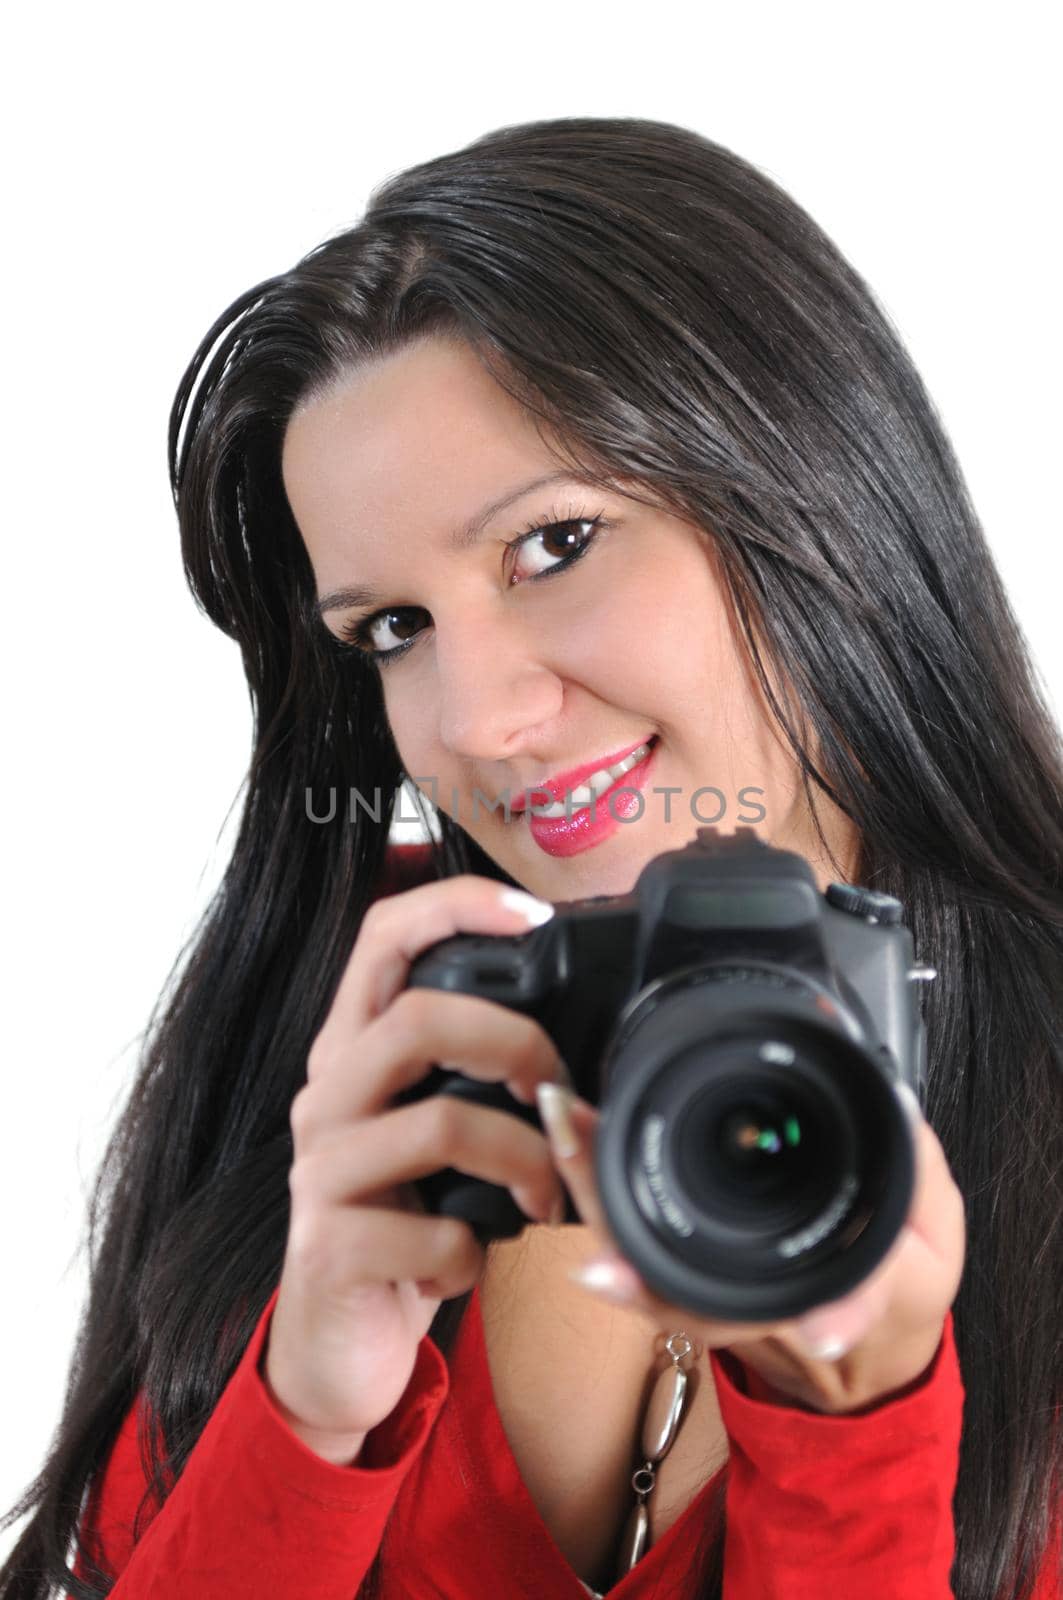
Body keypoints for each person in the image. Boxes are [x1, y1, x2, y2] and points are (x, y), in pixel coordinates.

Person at [1, 116, 1059, 1600]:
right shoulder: (348, 1128)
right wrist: (303, 1420)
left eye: (554, 544)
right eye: (394, 629)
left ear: (813, 494)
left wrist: (854, 1442)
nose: (474, 724)